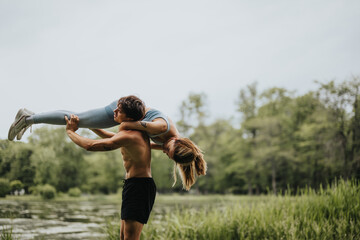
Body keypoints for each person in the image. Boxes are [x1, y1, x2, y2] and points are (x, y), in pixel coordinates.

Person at [8, 97, 206, 190]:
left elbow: (147, 145)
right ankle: (27, 119)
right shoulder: (161, 127)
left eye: (167, 154)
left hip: (131, 114)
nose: (164, 151)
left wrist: (104, 133)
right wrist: (117, 124)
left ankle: (30, 118)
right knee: (80, 119)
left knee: (81, 120)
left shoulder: (172, 143)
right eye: (167, 149)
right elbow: (128, 125)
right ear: (176, 140)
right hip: (126, 110)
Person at [65, 95, 155, 240]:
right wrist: (88, 124)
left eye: (119, 110)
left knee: (130, 238)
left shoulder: (131, 136)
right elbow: (111, 136)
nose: (114, 111)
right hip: (133, 185)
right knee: (123, 237)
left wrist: (70, 132)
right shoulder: (131, 133)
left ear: (130, 118)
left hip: (140, 188)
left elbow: (91, 146)